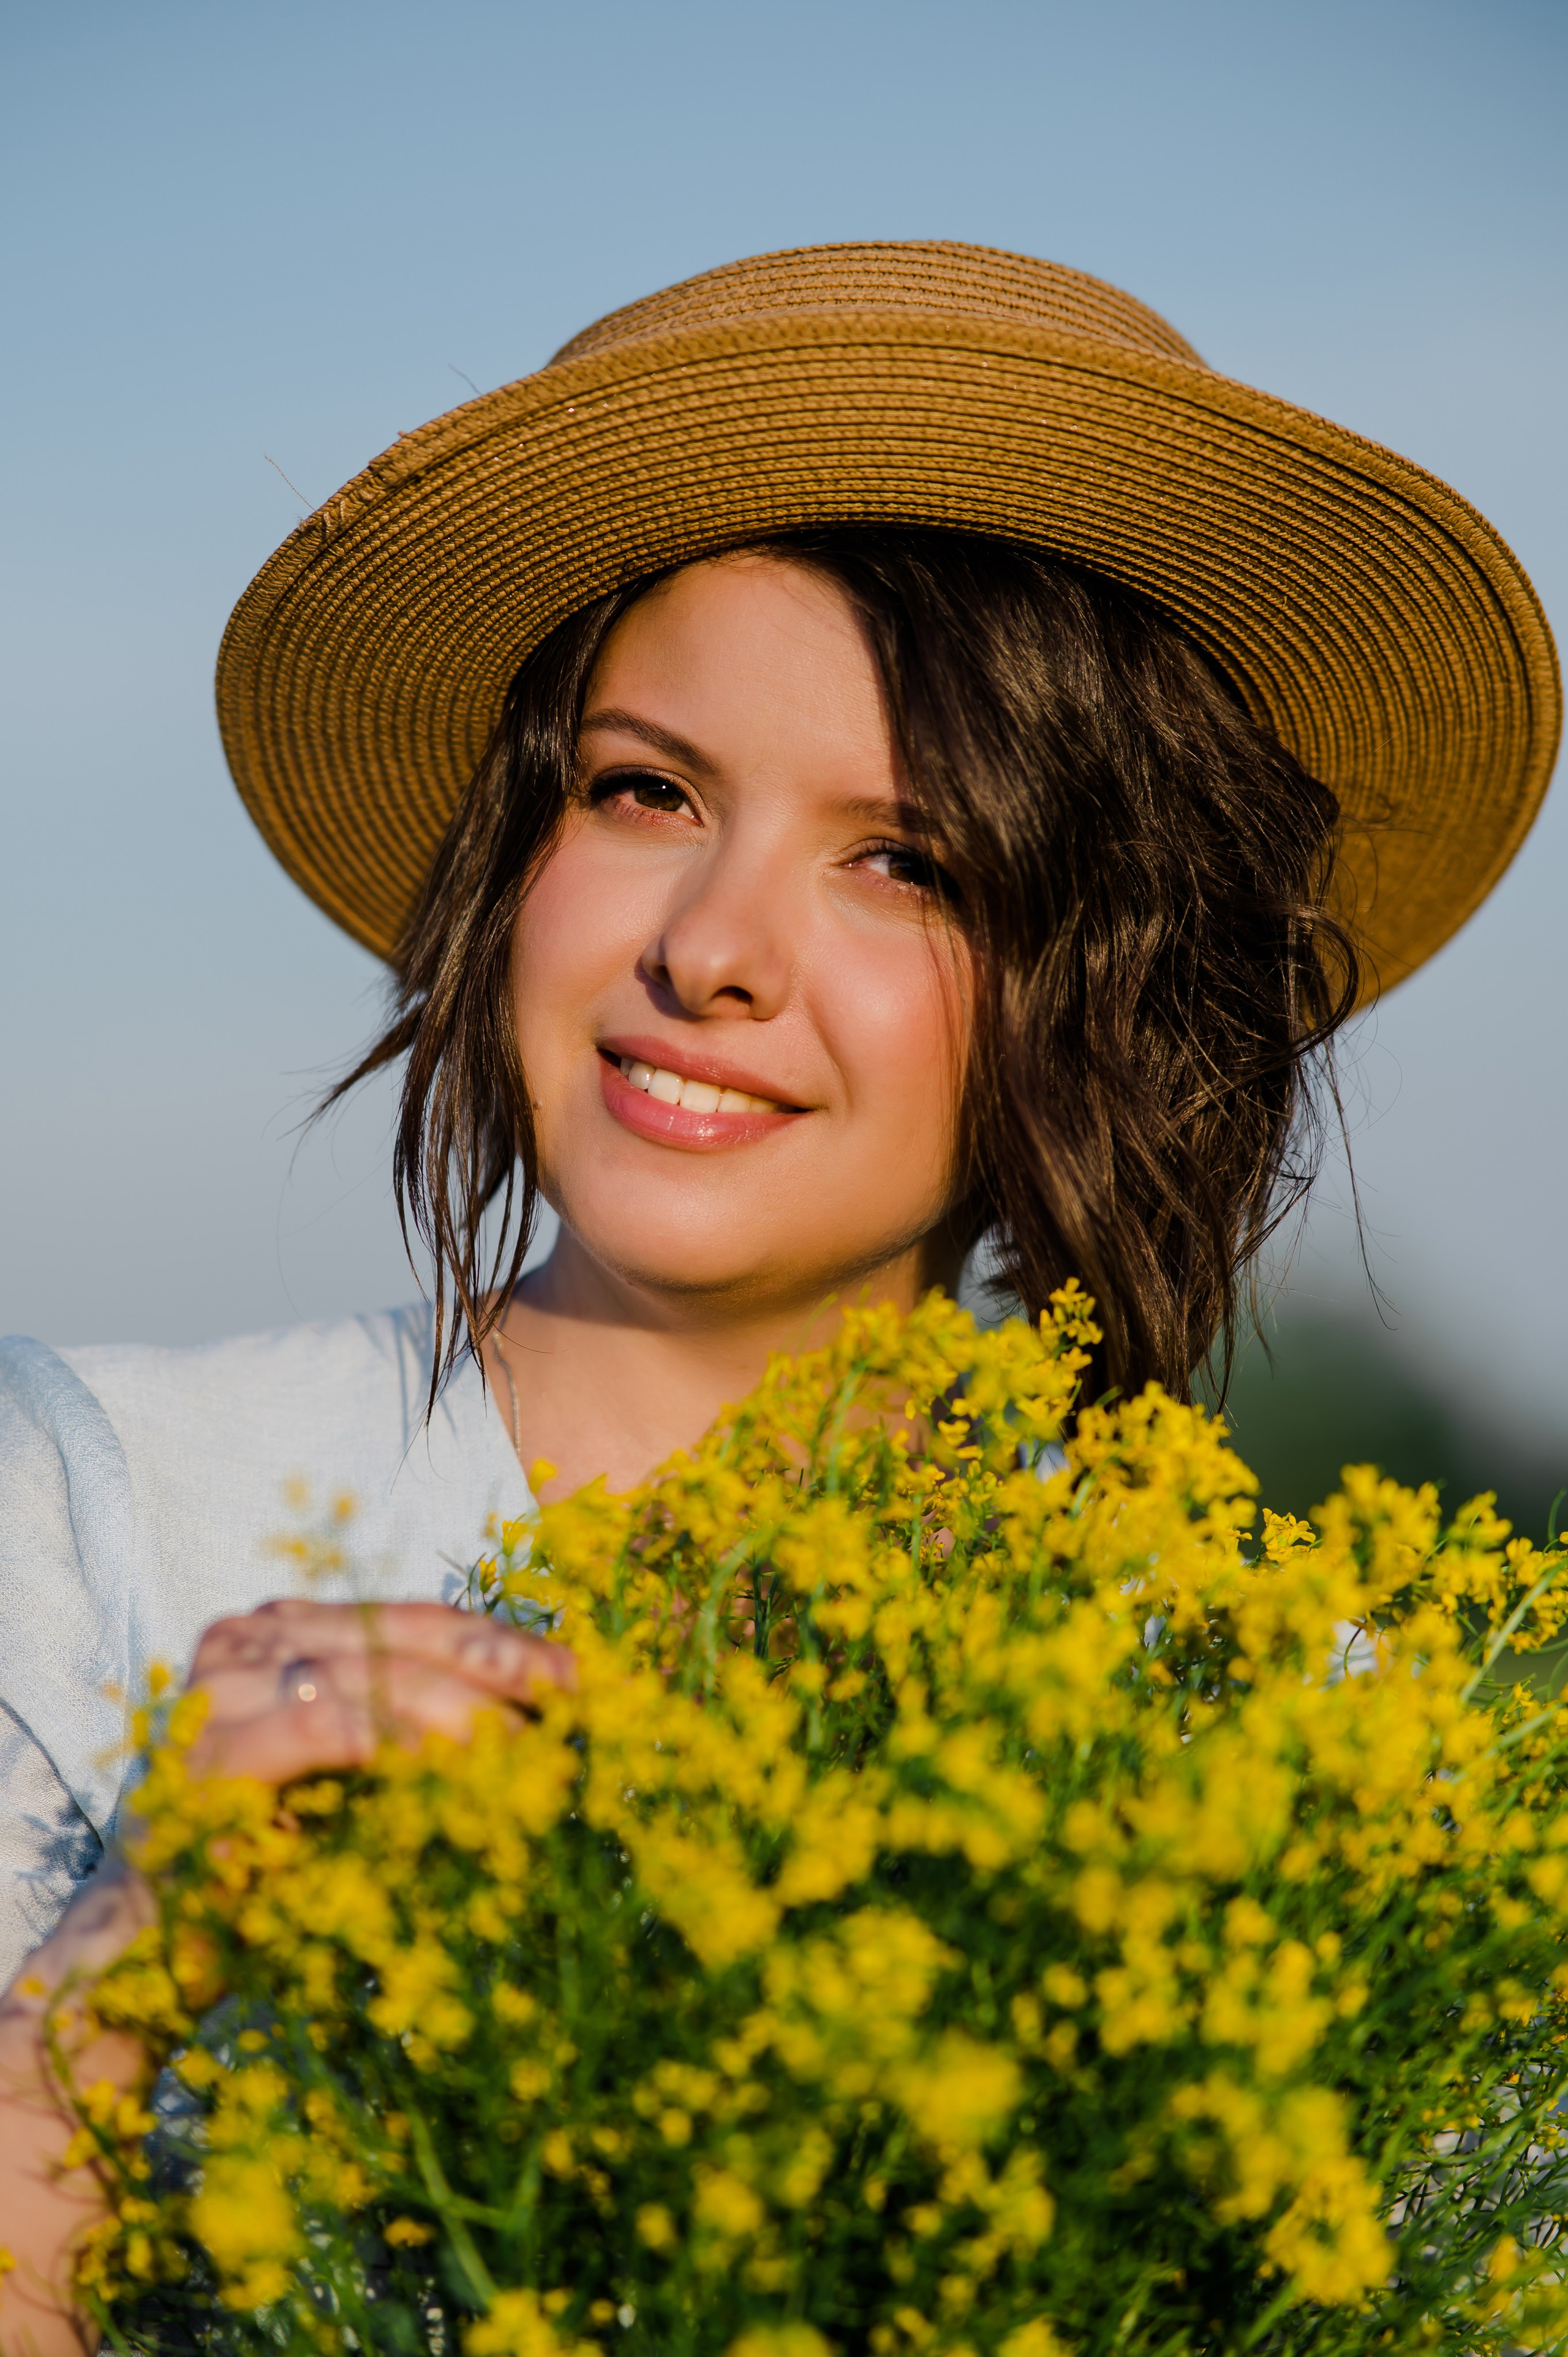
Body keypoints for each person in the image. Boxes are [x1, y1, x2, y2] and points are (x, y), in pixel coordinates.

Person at [0, 241, 1557, 2348]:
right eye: (644, 791)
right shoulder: (80, 1522)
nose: (713, 950)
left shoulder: (1306, 1744)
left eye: (907, 861)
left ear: (1106, 993)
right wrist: (119, 1971)